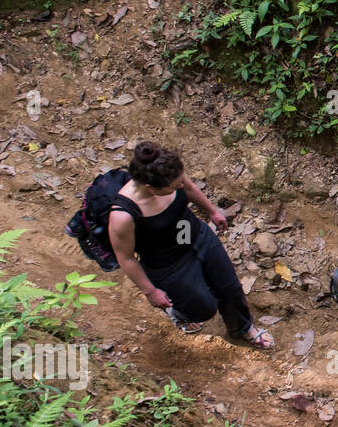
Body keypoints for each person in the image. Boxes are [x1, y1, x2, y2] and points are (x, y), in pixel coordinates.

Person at [107, 141, 273, 348]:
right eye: (174, 187)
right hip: (166, 260)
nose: (180, 186)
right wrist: (151, 292)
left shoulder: (171, 174)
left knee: (229, 287)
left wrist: (212, 211)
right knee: (203, 309)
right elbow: (126, 258)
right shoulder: (123, 216)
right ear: (151, 188)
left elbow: (190, 188)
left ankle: (243, 328)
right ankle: (178, 312)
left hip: (191, 234)